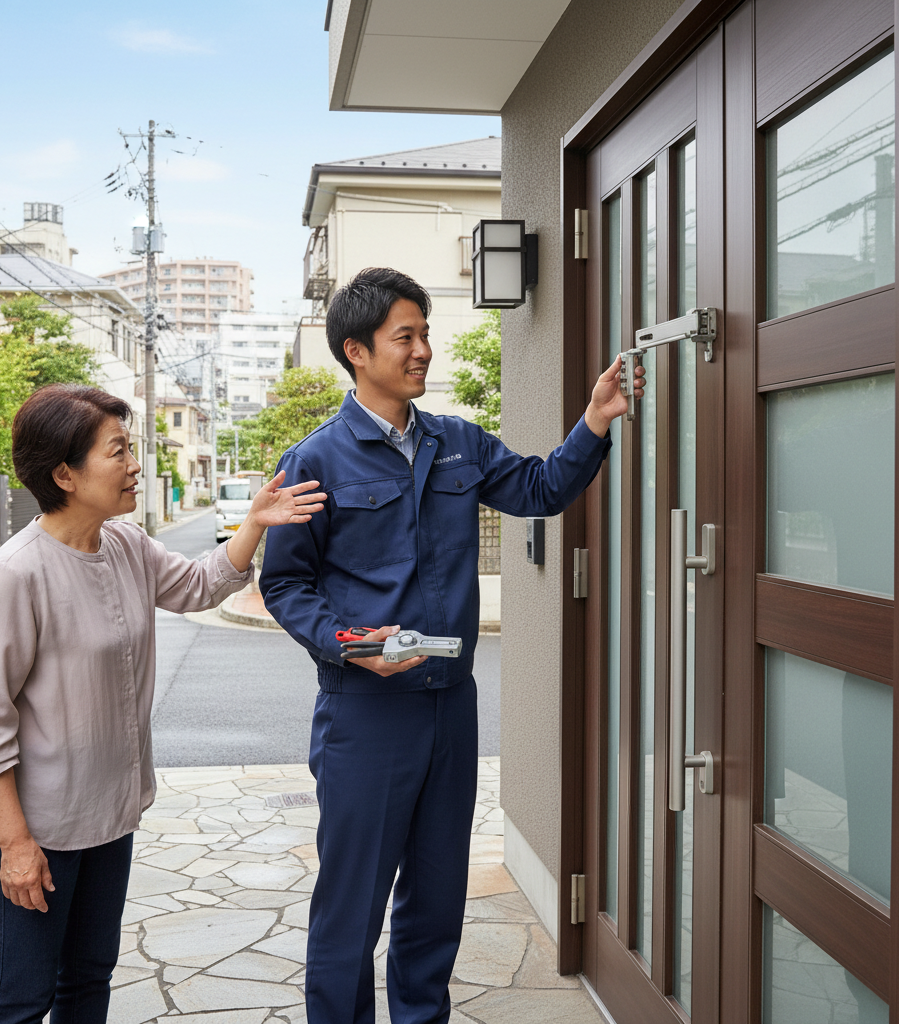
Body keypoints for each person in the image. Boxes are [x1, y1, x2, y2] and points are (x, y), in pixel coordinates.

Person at [259, 267, 647, 1024]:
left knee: (436, 899)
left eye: (425, 334)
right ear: (356, 351)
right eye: (404, 336)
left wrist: (595, 420)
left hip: (449, 707)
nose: (423, 350)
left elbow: (540, 489)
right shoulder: (316, 461)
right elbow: (286, 585)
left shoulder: (457, 442)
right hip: (365, 712)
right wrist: (348, 644)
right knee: (351, 906)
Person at [0, 384, 325, 1024]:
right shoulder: (17, 575)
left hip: (109, 814)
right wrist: (15, 845)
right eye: (118, 451)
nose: (136, 466)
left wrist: (254, 523)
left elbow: (199, 585)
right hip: (40, 828)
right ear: (65, 474)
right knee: (22, 996)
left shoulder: (125, 545)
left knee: (88, 981)